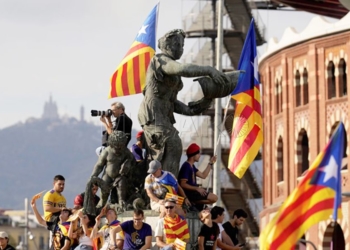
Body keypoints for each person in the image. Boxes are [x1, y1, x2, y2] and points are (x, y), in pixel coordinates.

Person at [138, 29, 230, 177]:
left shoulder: (172, 73)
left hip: (164, 116)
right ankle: (165, 187)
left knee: (174, 145)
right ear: (167, 46)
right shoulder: (160, 60)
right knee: (171, 143)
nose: (181, 48)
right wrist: (208, 70)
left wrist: (204, 102)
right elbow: (182, 69)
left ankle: (170, 186)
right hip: (153, 115)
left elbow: (174, 104)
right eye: (177, 44)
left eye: (182, 45)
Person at [90, 131, 136, 209]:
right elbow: (99, 165)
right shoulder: (107, 151)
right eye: (116, 146)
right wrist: (93, 176)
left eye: (120, 146)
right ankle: (102, 202)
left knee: (122, 186)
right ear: (111, 144)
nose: (118, 148)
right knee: (104, 190)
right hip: (108, 175)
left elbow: (133, 161)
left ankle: (121, 201)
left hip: (120, 176)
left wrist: (128, 164)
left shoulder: (126, 152)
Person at [178, 143, 218, 209]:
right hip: (189, 193)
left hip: (194, 192)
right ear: (193, 155)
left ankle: (194, 202)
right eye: (198, 154)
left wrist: (210, 163)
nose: (199, 156)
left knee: (209, 206)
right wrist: (197, 188)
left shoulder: (192, 166)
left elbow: (203, 175)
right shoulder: (186, 166)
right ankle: (192, 201)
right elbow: (183, 184)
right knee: (214, 198)